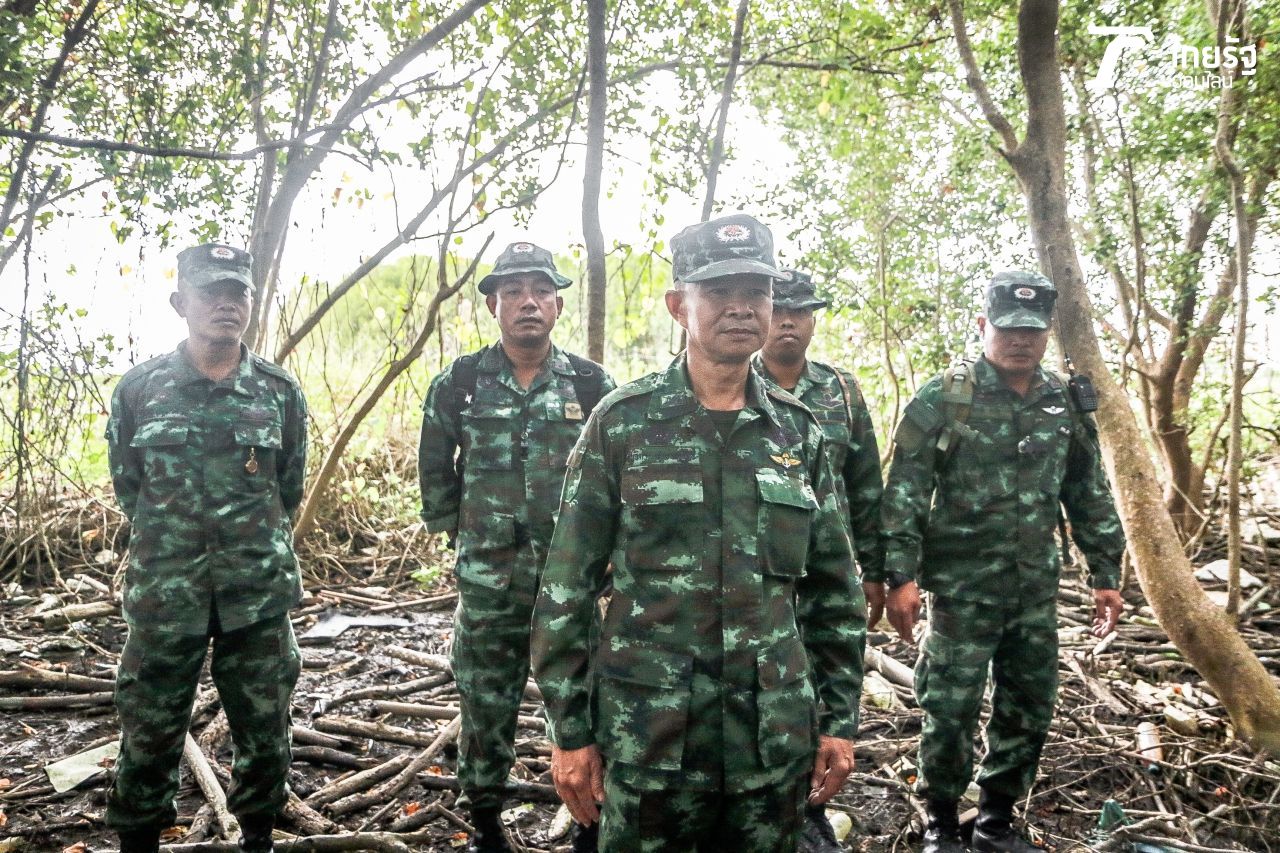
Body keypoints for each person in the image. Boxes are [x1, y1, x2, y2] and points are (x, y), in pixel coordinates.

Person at [531, 214, 866, 853]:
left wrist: (839, 721)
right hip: (648, 736)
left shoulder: (798, 434)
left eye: (756, 292)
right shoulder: (623, 425)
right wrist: (570, 731)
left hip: (769, 739)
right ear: (679, 306)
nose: (741, 308)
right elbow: (566, 588)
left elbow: (835, 592)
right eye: (719, 292)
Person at [876, 271, 1126, 853]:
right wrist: (901, 576)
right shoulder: (946, 397)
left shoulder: (1062, 400)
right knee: (949, 707)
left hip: (1034, 589)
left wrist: (1106, 574)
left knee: (1029, 706)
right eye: (1009, 328)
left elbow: (1087, 491)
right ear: (985, 325)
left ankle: (995, 820)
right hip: (963, 591)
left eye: (1032, 331)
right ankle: (940, 819)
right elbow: (905, 490)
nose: (1020, 340)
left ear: (1047, 334)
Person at [105, 243, 308, 853]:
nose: (227, 303)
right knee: (148, 732)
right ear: (179, 303)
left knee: (266, 733)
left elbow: (288, 485)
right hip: (167, 594)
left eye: (238, 292)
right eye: (211, 292)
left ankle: (258, 838)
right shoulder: (140, 390)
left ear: (251, 302)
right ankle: (138, 841)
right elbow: (129, 486)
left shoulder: (278, 391)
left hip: (257, 594)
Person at [418, 241, 614, 853]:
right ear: (493, 306)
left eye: (540, 292)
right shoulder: (461, 382)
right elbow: (435, 470)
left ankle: (590, 821)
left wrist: (603, 558)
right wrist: (465, 535)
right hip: (489, 583)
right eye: (513, 293)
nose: (527, 302)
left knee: (581, 701)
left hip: (569, 582)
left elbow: (614, 481)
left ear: (557, 304)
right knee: (484, 703)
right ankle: (485, 823)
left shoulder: (590, 383)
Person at [754, 268, 883, 852]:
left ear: (812, 320)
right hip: (757, 581)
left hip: (822, 577)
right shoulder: (727, 380)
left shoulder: (840, 391)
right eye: (778, 309)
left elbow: (865, 488)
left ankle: (805, 808)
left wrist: (879, 571)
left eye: (800, 312)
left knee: (818, 691)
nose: (787, 321)